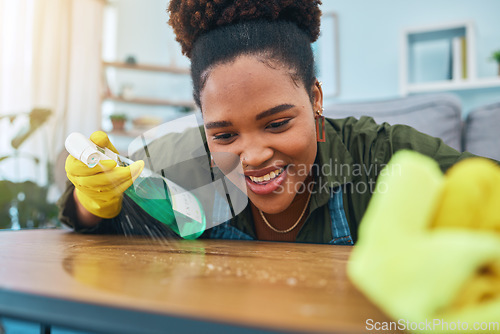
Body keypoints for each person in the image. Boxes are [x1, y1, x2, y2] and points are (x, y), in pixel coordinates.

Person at [58, 0, 476, 244]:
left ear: (315, 98)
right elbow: (95, 223)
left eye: (277, 124)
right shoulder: (179, 160)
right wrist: (91, 199)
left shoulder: (382, 154)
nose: (253, 156)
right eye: (223, 133)